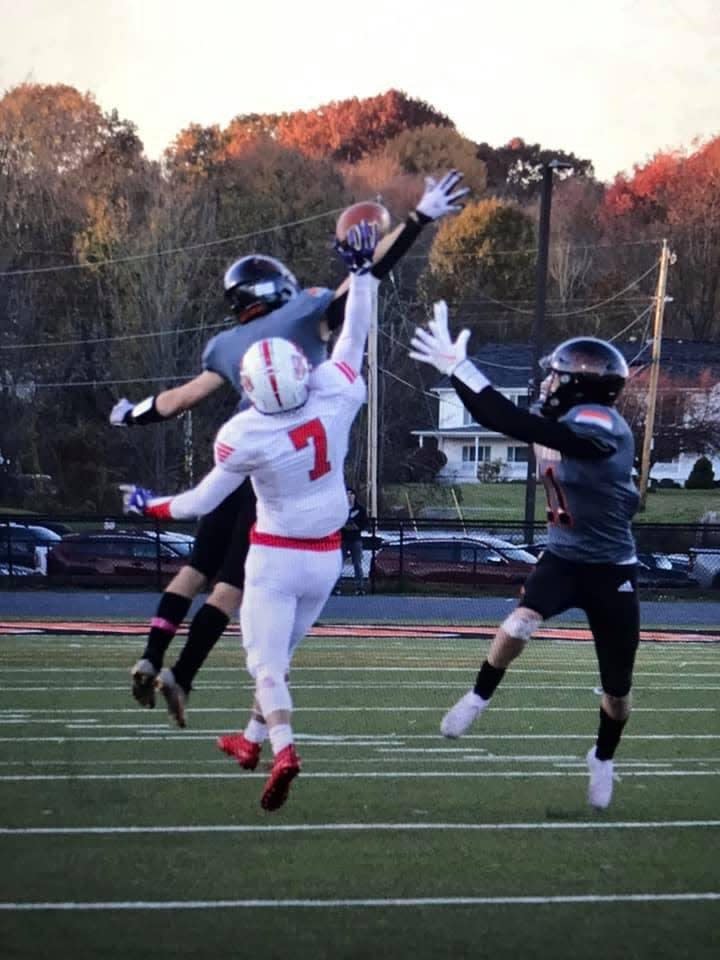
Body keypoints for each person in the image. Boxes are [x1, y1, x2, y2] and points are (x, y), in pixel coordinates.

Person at [109, 170, 470, 728]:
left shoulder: (226, 344)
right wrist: (418, 218)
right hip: (284, 472)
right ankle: (182, 674)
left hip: (240, 454)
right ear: (275, 287)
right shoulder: (305, 310)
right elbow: (368, 275)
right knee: (230, 586)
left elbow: (179, 399)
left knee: (193, 570)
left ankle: (151, 654)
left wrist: (129, 414)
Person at [120, 222, 379, 811]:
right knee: (276, 652)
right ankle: (249, 737)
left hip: (276, 551)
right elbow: (355, 331)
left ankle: (281, 748)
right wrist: (362, 271)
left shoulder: (245, 430)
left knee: (260, 657)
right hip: (327, 557)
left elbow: (200, 501)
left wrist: (148, 503)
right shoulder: (335, 393)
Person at [409, 302, 639, 810]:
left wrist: (460, 368)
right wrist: (458, 371)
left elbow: (509, 417)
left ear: (582, 388)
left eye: (557, 378)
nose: (548, 385)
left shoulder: (599, 423)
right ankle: (478, 697)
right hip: (563, 557)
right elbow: (498, 416)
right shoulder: (560, 417)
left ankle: (602, 757)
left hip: (611, 569)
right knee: (518, 625)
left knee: (618, 694)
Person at [339, 487, 368, 594]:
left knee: (357, 563)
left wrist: (357, 527)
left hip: (355, 539)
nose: (349, 496)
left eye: (351, 494)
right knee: (339, 564)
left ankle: (359, 587)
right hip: (343, 539)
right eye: (347, 494)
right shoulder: (341, 509)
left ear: (354, 496)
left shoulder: (360, 509)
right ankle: (337, 587)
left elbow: (365, 523)